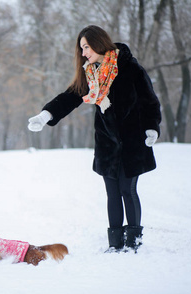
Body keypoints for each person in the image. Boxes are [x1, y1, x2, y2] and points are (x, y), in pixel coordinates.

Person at [28, 25, 161, 252]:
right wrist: (46, 114)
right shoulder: (91, 73)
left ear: (98, 43)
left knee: (127, 190)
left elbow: (149, 100)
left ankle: (133, 242)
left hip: (132, 142)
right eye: (81, 48)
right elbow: (69, 96)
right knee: (112, 192)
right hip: (107, 143)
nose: (83, 53)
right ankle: (116, 244)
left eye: (86, 47)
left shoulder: (129, 68)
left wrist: (152, 128)